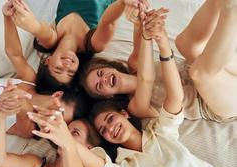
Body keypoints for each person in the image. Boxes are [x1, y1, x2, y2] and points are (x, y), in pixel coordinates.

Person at [30, 8, 237, 167]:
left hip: (204, 74)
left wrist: (143, 21)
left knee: (187, 47)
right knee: (200, 72)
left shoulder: (162, 134)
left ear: (123, 114)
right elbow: (95, 165)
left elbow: (143, 49)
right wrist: (65, 138)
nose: (110, 128)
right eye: (104, 130)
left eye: (110, 119)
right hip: (213, 94)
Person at [81, 0, 237, 122]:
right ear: (107, 97)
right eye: (100, 86)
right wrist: (156, 36)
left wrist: (139, 14)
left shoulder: (133, 64)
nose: (104, 79)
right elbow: (145, 80)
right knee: (198, 74)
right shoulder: (135, 107)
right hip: (215, 102)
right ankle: (232, 10)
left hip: (211, 69)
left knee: (183, 43)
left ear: (110, 68)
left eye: (101, 73)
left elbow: (140, 31)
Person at [4, 0, 149, 93]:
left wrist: (9, 16)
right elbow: (108, 21)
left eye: (59, 68)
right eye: (70, 72)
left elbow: (37, 33)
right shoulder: (93, 44)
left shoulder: (50, 40)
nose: (67, 65)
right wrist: (124, 2)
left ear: (46, 61)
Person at [0, 86, 102, 167]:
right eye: (66, 130)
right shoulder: (36, 166)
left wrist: (67, 143)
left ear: (89, 148)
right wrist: (2, 114)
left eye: (75, 133)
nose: (63, 133)